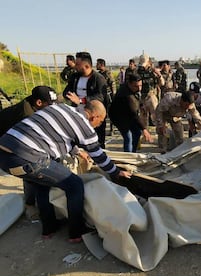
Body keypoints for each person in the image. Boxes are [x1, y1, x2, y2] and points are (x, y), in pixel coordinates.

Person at [0, 100, 131, 242]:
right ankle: (76, 232)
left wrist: (78, 152)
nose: (98, 125)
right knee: (74, 185)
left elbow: (57, 133)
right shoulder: (85, 127)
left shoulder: (61, 108)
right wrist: (116, 172)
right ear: (94, 117)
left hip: (5, 154)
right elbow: (98, 155)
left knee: (43, 185)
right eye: (100, 122)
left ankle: (49, 229)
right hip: (28, 157)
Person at [0, 85, 57, 220]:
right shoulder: (27, 116)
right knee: (29, 169)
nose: (53, 108)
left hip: (11, 137)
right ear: (39, 103)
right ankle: (30, 205)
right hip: (6, 140)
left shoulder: (34, 104)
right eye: (50, 105)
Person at [63, 51, 109, 148]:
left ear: (87, 66)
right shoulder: (75, 77)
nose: (75, 66)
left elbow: (100, 96)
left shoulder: (98, 78)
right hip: (77, 114)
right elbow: (67, 91)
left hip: (93, 114)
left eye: (78, 64)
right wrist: (69, 95)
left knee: (97, 141)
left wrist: (81, 101)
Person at [109, 72, 153, 152]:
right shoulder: (126, 95)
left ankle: (133, 152)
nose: (139, 88)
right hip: (119, 117)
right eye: (136, 86)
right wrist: (144, 129)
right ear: (129, 84)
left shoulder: (133, 90)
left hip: (128, 115)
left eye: (140, 85)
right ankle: (128, 156)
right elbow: (135, 114)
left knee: (137, 133)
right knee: (128, 137)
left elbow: (138, 105)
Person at [137, 54, 164, 127]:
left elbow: (162, 83)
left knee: (157, 118)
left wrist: (159, 75)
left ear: (149, 62)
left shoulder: (153, 71)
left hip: (151, 97)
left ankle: (162, 135)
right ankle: (145, 136)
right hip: (141, 98)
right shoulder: (137, 72)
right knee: (143, 120)